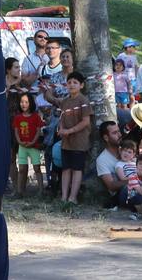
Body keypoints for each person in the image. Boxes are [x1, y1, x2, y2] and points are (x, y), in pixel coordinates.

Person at [55, 72, 91, 203]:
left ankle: (73, 197)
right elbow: (61, 118)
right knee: (66, 169)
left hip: (80, 142)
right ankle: (64, 196)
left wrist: (70, 131)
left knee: (77, 169)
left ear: (81, 85)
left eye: (75, 82)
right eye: (69, 82)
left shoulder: (84, 101)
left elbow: (86, 121)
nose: (72, 85)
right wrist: (61, 129)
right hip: (66, 142)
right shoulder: (64, 101)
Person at [11, 92, 45, 197]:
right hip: (22, 146)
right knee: (21, 169)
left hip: (33, 147)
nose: (23, 104)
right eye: (22, 102)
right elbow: (16, 131)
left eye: (26, 102)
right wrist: (20, 142)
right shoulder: (18, 117)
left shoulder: (35, 117)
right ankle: (20, 191)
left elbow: (38, 131)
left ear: (31, 103)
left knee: (37, 168)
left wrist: (32, 142)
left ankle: (41, 190)